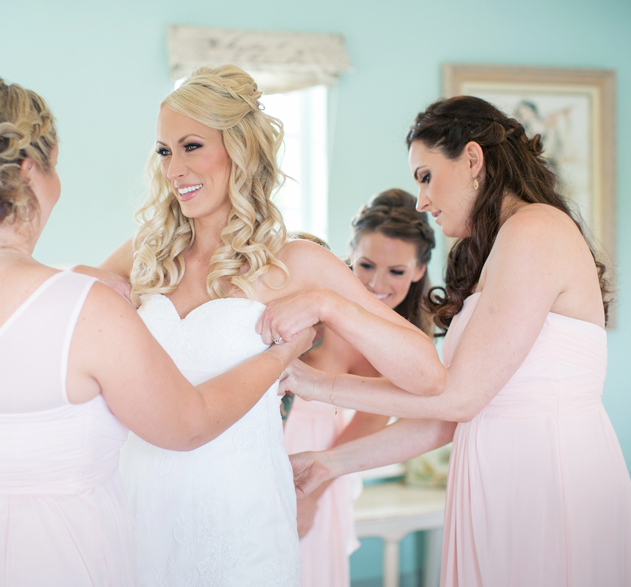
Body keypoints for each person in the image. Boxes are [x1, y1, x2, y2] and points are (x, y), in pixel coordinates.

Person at [0, 74, 315, 587]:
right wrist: (282, 355)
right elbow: (189, 424)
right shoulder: (81, 307)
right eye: (55, 167)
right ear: (30, 171)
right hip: (42, 555)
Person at [272, 95, 631, 587]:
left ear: (472, 159)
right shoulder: (497, 248)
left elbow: (458, 397)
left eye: (425, 175)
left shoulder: (536, 229)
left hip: (545, 477)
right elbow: (446, 418)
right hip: (496, 475)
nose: (421, 199)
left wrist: (317, 384)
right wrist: (327, 463)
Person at [98, 65, 445, 587]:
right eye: (165, 151)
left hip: (242, 521)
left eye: (192, 146)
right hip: (135, 507)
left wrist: (328, 304)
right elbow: (72, 329)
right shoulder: (146, 254)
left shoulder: (295, 263)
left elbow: (426, 374)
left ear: (240, 151)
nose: (174, 169)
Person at [283, 190, 436, 587]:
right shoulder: (315, 304)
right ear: (349, 251)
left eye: (396, 272)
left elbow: (371, 419)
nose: (375, 284)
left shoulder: (405, 341)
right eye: (365, 264)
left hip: (318, 468)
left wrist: (311, 494)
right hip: (272, 450)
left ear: (419, 270)